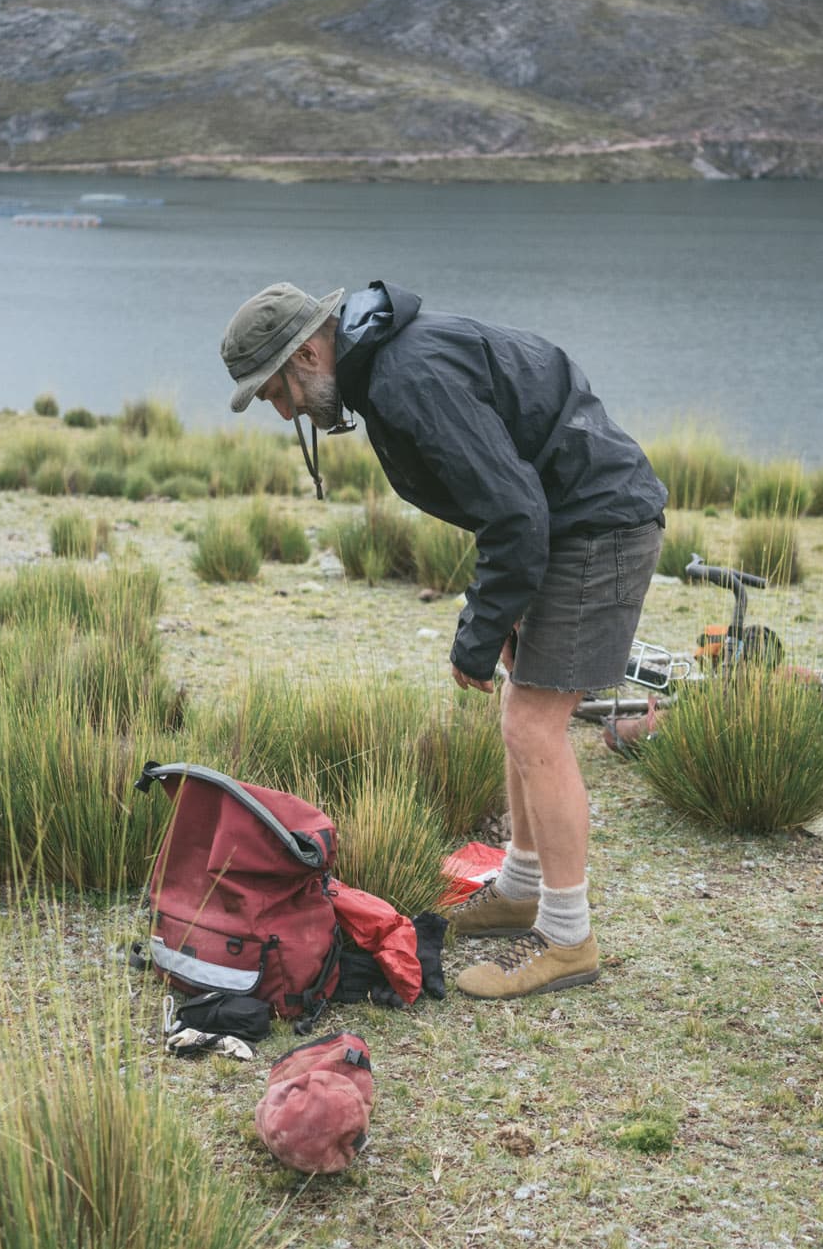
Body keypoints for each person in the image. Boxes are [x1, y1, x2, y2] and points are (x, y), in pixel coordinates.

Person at [220, 281, 668, 1000]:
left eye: (277, 390)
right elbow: (510, 497)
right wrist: (508, 603)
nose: (284, 411)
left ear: (308, 351)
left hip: (595, 528)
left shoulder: (407, 377)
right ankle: (522, 891)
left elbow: (516, 512)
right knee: (522, 714)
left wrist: (479, 630)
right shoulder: (384, 368)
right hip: (566, 523)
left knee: (534, 729)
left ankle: (568, 940)